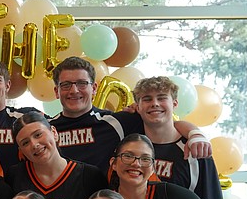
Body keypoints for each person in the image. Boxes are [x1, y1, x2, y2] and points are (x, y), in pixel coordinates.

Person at [48, 56, 210, 174]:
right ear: (57, 91)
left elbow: (165, 122)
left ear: (94, 88)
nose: (74, 90)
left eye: (82, 83)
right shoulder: (46, 128)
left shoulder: (117, 122)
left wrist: (195, 133)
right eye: (66, 85)